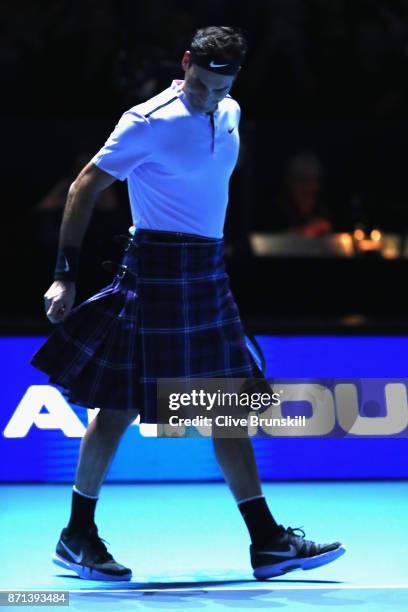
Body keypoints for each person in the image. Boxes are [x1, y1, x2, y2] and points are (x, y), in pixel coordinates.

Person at [31, 26, 345, 582]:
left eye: (218, 89)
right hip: (153, 274)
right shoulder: (146, 122)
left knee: (228, 410)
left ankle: (267, 543)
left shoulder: (231, 113)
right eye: (199, 85)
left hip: (206, 275)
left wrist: (220, 104)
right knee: (118, 407)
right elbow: (83, 188)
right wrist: (64, 276)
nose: (207, 97)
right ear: (185, 65)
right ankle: (77, 534)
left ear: (233, 83)